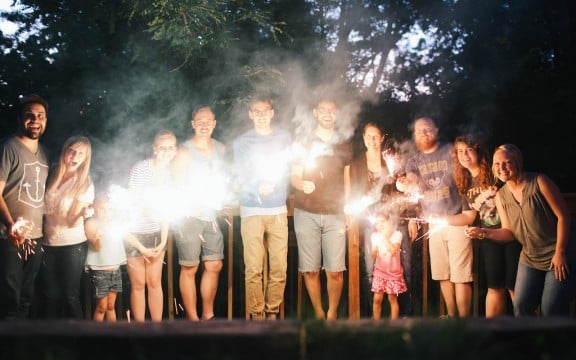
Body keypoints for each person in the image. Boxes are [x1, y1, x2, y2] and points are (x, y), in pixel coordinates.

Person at [465, 144, 576, 316]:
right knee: (520, 307)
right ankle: (527, 343)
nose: (501, 168)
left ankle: (555, 342)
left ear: (518, 163)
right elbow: (508, 232)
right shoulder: (501, 196)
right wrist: (484, 233)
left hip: (557, 256)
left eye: (507, 163)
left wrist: (560, 252)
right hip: (530, 257)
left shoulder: (540, 182)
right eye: (497, 164)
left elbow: (564, 217)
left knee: (550, 310)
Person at [397, 116, 473, 318]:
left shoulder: (450, 151)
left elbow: (468, 171)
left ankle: (464, 322)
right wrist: (406, 184)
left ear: (436, 130)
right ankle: (450, 316)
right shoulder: (414, 161)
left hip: (457, 219)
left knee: (461, 276)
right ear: (414, 135)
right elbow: (412, 181)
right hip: (433, 223)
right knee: (443, 274)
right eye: (419, 130)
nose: (423, 133)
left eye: (427, 129)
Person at [290, 98, 352, 320]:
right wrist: (301, 184)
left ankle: (332, 314)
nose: (327, 114)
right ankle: (318, 313)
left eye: (332, 110)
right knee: (310, 270)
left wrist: (347, 208)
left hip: (335, 213)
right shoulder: (304, 139)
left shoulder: (344, 141)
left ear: (337, 114)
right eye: (323, 110)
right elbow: (295, 173)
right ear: (315, 112)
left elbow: (347, 178)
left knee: (335, 271)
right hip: (306, 213)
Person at [349, 121, 418, 318]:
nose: (372, 139)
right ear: (363, 139)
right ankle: (373, 318)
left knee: (404, 268)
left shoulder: (391, 162)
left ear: (381, 138)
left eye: (375, 136)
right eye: (368, 136)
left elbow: (405, 190)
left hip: (397, 220)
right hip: (372, 223)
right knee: (371, 270)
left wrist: (412, 217)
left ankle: (405, 316)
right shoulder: (357, 165)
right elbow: (353, 193)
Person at [232, 96, 292, 320]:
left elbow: (288, 167)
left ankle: (272, 314)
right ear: (249, 114)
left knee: (279, 268)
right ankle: (257, 317)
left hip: (277, 210)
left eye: (264, 110)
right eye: (255, 111)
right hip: (251, 210)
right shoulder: (241, 143)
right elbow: (239, 175)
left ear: (272, 112)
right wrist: (257, 188)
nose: (260, 115)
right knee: (254, 269)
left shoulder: (284, 138)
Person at [449, 135, 521, 317]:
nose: (464, 155)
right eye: (460, 151)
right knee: (494, 286)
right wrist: (440, 219)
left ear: (478, 150)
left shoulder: (493, 170)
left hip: (513, 233)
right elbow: (469, 215)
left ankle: (525, 330)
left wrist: (492, 192)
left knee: (514, 286)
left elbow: (511, 184)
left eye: (469, 149)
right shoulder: (465, 182)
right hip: (488, 236)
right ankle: (491, 334)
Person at [171, 105, 226, 321]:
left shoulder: (220, 148)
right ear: (193, 124)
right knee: (190, 267)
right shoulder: (184, 152)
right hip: (189, 218)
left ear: (214, 123)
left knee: (215, 264)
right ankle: (192, 320)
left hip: (212, 216)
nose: (204, 125)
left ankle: (208, 315)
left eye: (208, 121)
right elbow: (175, 186)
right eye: (199, 121)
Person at [0, 94, 50, 320]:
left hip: (35, 237)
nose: (35, 120)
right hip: (9, 238)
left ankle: (23, 346)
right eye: (29, 115)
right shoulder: (8, 148)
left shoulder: (45, 153)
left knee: (26, 298)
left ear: (46, 121)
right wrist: (11, 225)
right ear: (20, 119)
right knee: (9, 299)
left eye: (40, 116)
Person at [124, 129, 177, 322]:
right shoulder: (141, 168)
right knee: (138, 284)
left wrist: (163, 239)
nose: (166, 151)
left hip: (156, 233)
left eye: (170, 147)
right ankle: (139, 330)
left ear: (175, 150)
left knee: (155, 282)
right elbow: (134, 201)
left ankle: (157, 329)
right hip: (135, 233)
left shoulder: (170, 175)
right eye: (162, 147)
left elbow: (167, 211)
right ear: (155, 148)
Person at [42, 135, 94, 319]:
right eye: (71, 151)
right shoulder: (52, 172)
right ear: (65, 151)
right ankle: (51, 341)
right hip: (47, 243)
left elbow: (71, 221)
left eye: (81, 153)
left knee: (70, 296)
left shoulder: (84, 182)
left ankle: (80, 341)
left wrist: (82, 214)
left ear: (85, 158)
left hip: (72, 245)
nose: (75, 156)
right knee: (50, 296)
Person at [84, 194, 127, 322]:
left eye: (109, 209)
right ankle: (98, 336)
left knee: (110, 306)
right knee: (102, 306)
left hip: (115, 269)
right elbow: (97, 247)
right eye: (102, 209)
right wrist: (98, 237)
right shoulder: (91, 223)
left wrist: (143, 249)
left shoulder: (115, 224)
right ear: (95, 209)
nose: (106, 213)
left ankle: (113, 336)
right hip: (100, 271)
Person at [370, 212, 407, 320]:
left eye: (382, 222)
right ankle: (376, 324)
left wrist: (383, 237)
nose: (380, 225)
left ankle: (393, 326)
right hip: (379, 272)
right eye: (378, 223)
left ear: (390, 222)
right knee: (377, 299)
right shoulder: (374, 236)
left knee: (392, 298)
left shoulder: (397, 235)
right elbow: (374, 255)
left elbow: (392, 251)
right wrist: (374, 250)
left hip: (393, 274)